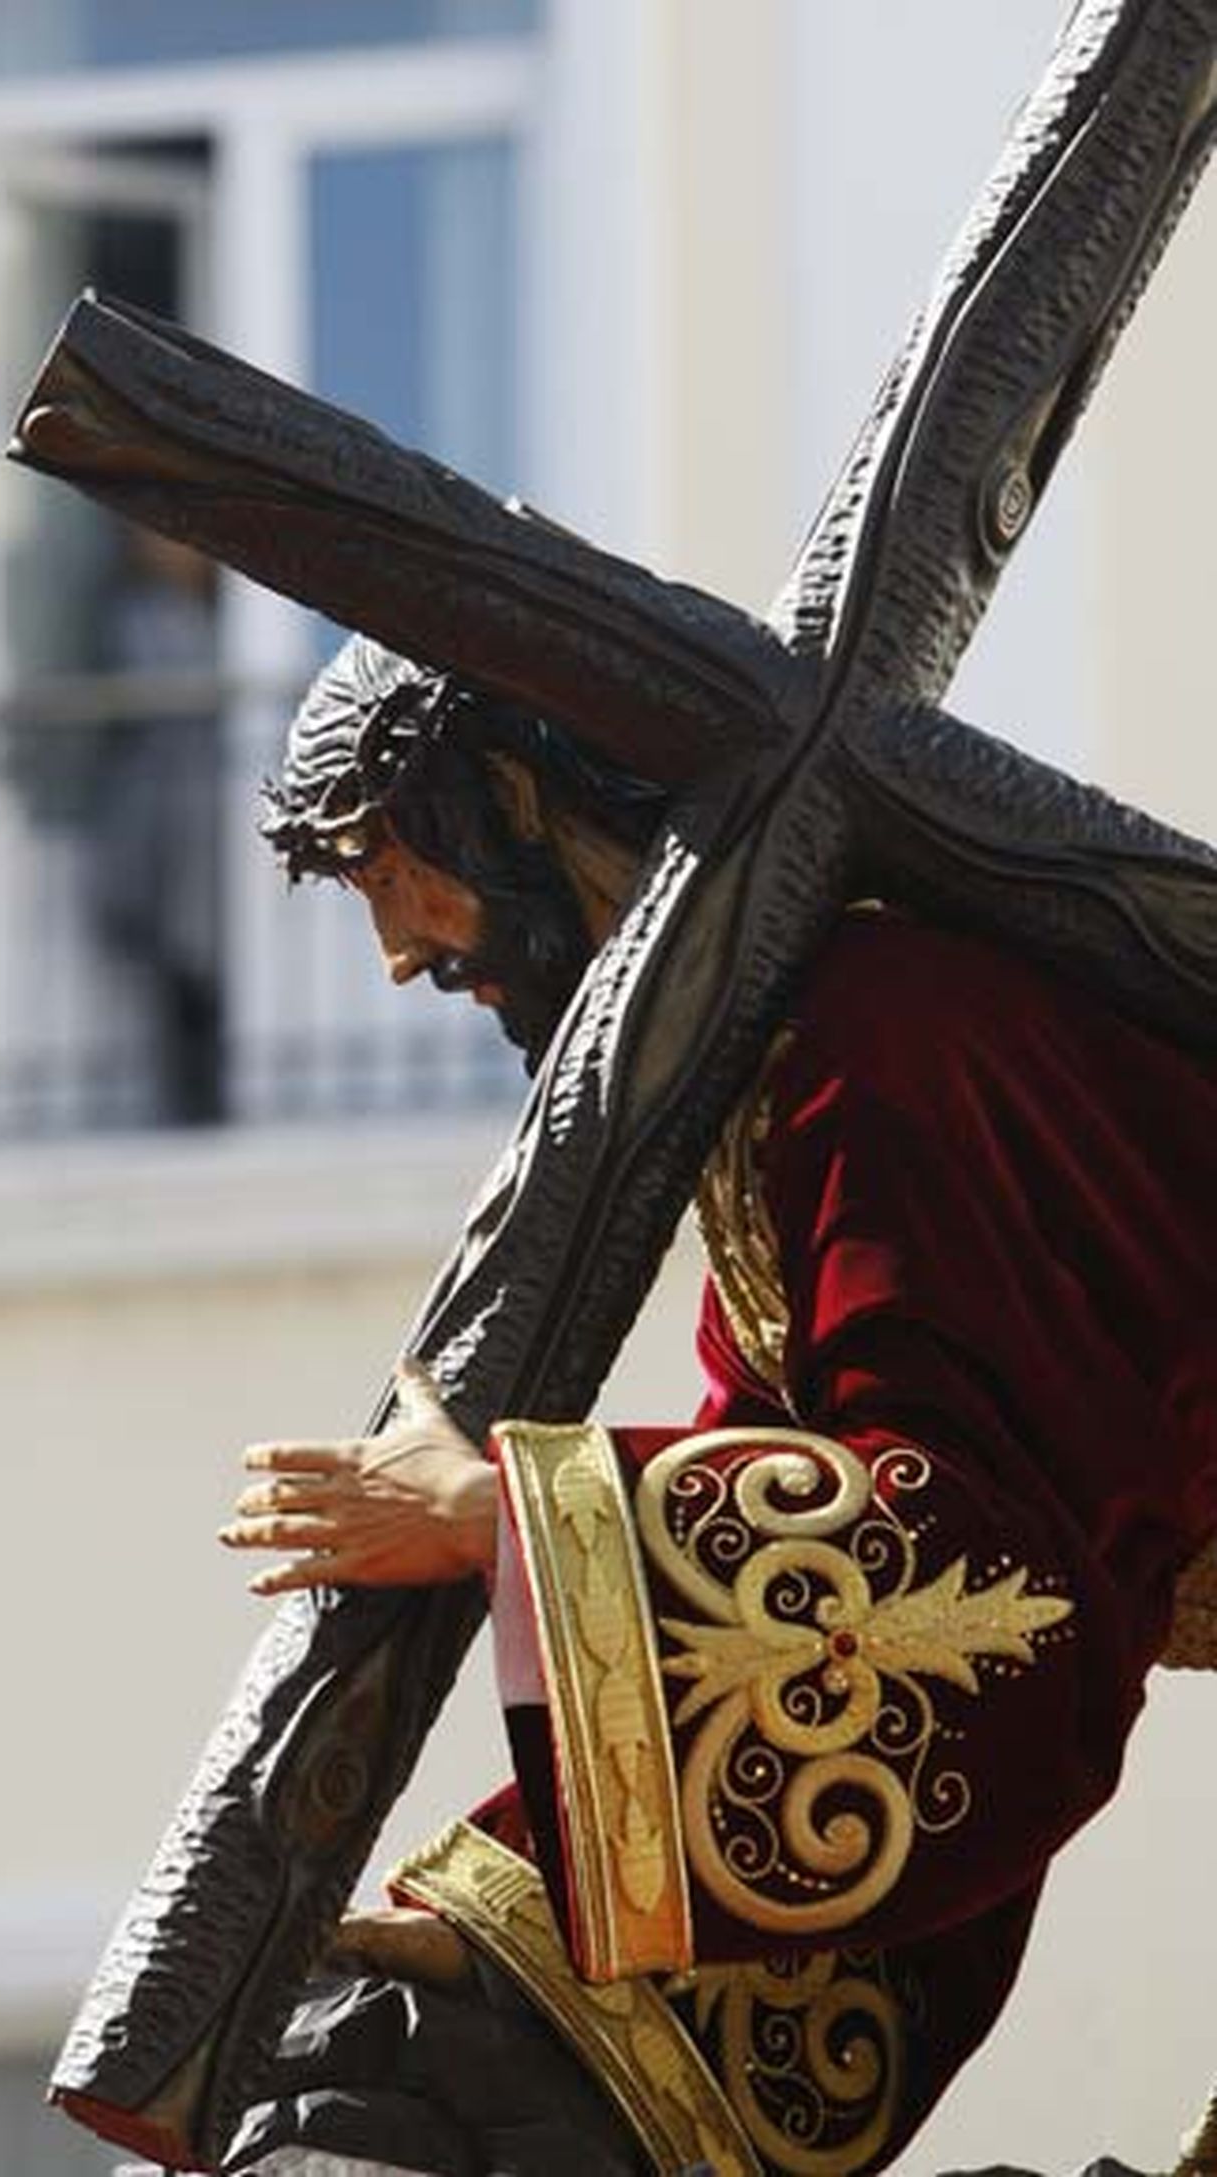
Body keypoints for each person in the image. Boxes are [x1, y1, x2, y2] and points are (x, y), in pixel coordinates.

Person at [215, 634, 1217, 2177]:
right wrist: (515, 1930)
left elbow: (988, 1602)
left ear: (517, 796)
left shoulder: (891, 1043)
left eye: (396, 870)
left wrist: (502, 1519)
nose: (400, 951)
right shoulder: (785, 1077)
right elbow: (799, 1532)